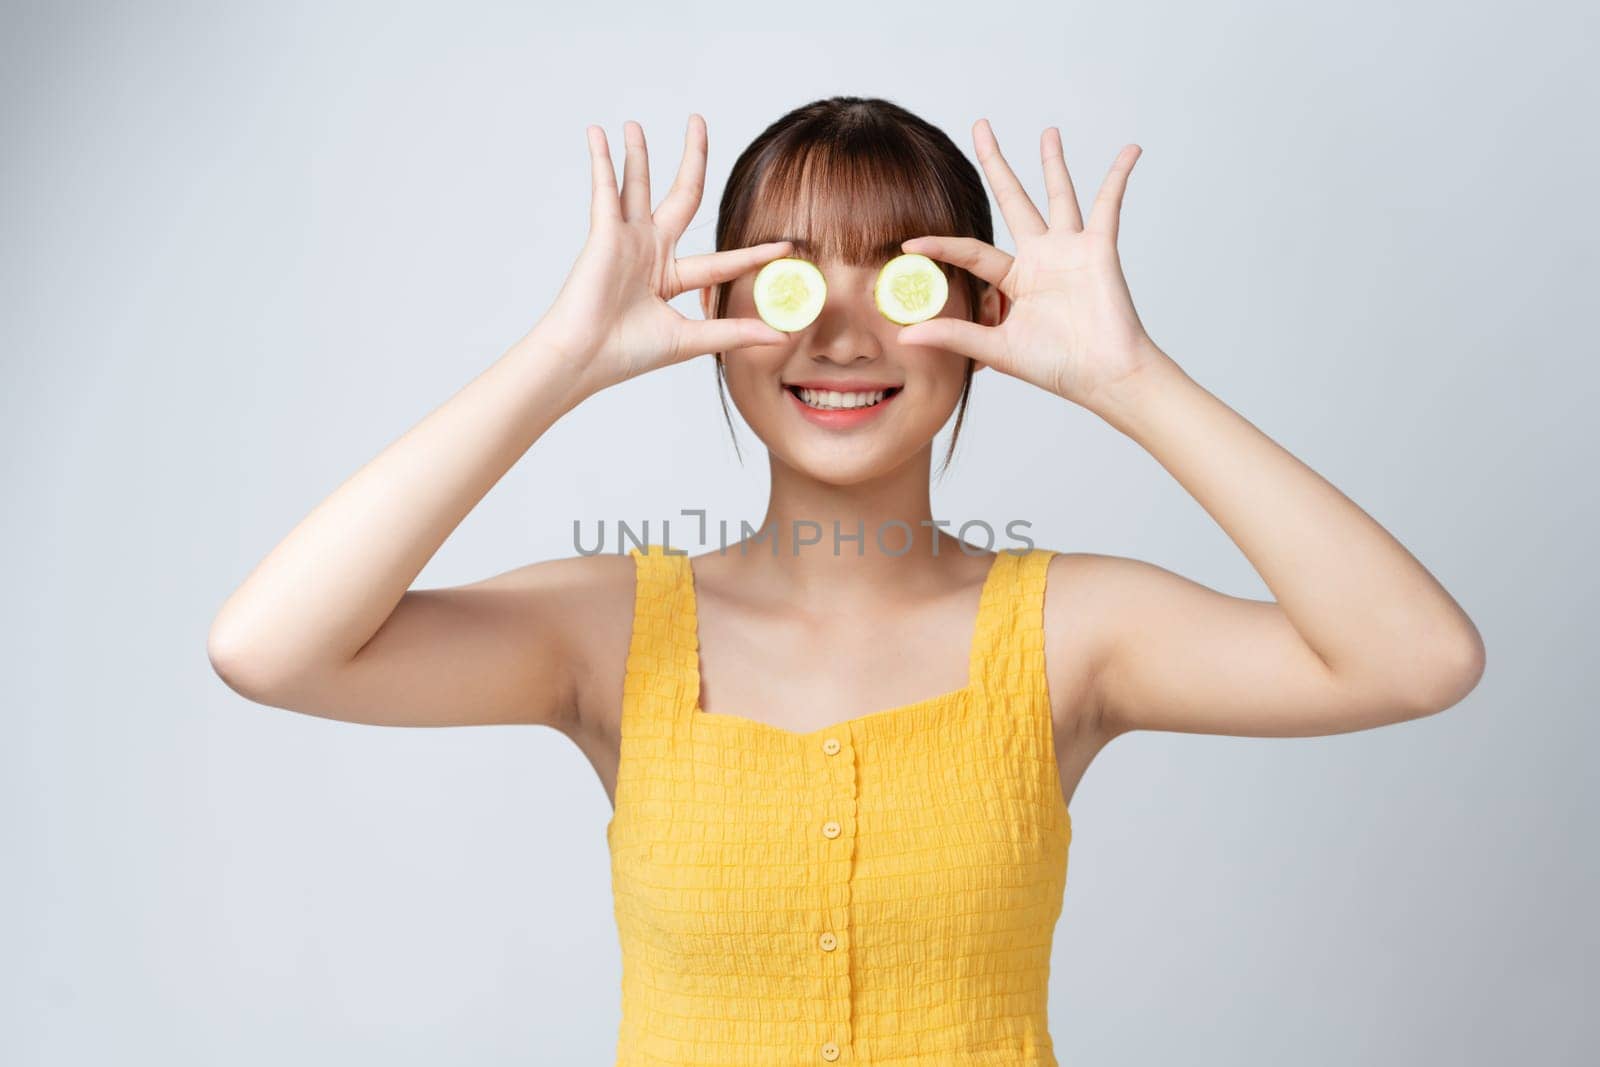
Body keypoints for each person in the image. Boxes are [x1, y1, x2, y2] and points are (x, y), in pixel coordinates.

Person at [207, 96, 1486, 1066]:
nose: (841, 331)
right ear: (718, 311)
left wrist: (1128, 381)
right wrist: (558, 359)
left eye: (899, 272)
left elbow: (1416, 658)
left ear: (977, 316)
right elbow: (272, 648)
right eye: (791, 276)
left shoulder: (1069, 631)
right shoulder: (610, 630)